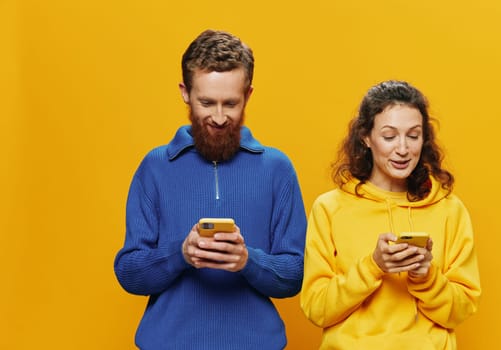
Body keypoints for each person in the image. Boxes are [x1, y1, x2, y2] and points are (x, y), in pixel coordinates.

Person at [114, 29, 307, 350]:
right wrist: (181, 254)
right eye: (206, 102)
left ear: (248, 95)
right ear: (185, 93)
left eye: (230, 103)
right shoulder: (155, 166)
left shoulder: (277, 168)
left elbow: (294, 276)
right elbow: (130, 274)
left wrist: (248, 261)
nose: (219, 117)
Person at [300, 80, 481, 349]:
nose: (403, 149)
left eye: (413, 135)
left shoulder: (450, 210)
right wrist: (373, 266)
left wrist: (426, 276)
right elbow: (317, 308)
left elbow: (461, 310)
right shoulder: (329, 208)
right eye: (389, 136)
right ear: (366, 137)